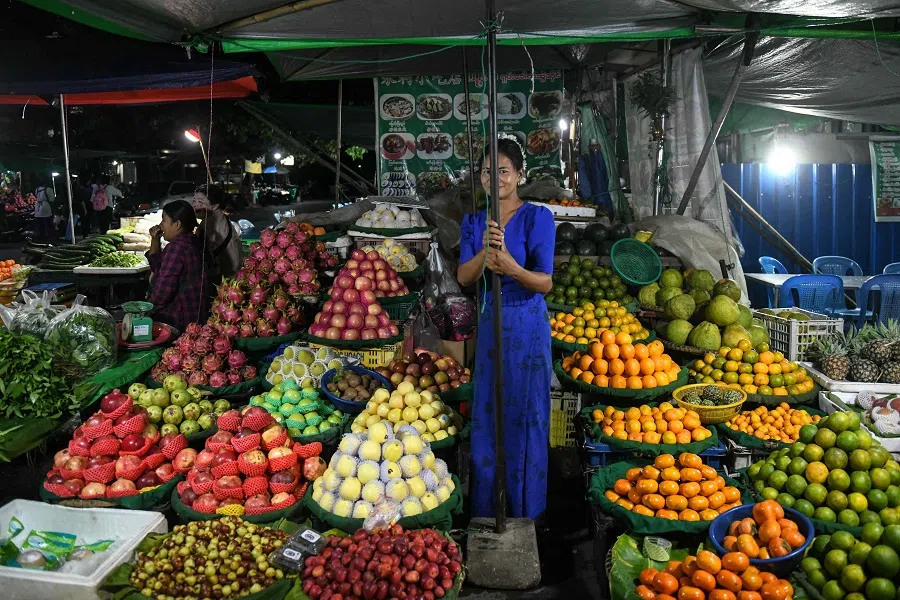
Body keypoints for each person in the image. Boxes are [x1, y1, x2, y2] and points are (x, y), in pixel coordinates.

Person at [457, 137, 555, 521]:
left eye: (503, 170)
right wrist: (485, 250)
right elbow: (465, 277)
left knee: (526, 412)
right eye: (487, 171)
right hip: (490, 318)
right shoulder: (474, 221)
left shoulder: (537, 217)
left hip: (526, 323)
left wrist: (511, 266)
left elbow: (544, 282)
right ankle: (487, 508)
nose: (494, 177)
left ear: (518, 175)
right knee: (488, 411)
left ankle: (525, 510)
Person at [146, 200, 210, 330]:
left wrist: (146, 310)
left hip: (180, 320)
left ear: (177, 224)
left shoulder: (177, 248)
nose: (160, 225)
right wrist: (155, 239)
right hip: (197, 316)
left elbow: (163, 292)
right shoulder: (192, 241)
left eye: (163, 220)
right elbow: (157, 267)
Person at [193, 183, 243, 279]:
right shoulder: (217, 217)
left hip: (224, 280)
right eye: (194, 201)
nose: (195, 205)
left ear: (215, 206)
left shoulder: (211, 223)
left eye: (200, 202)